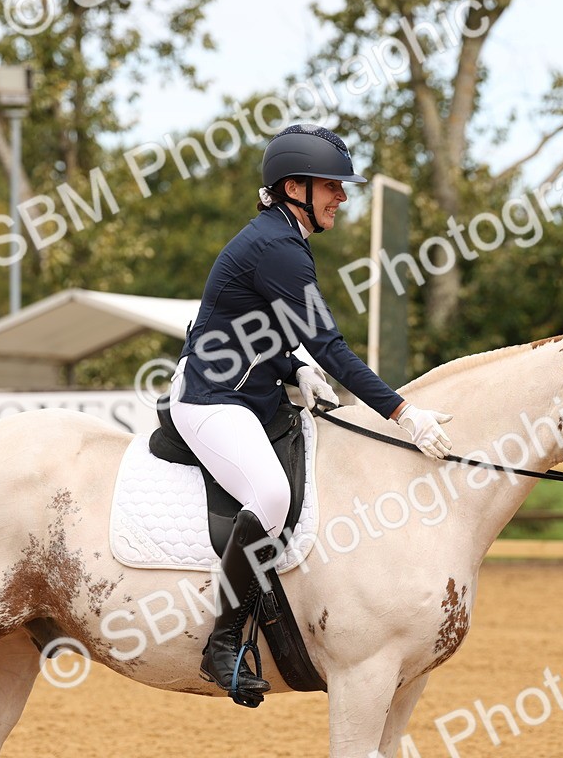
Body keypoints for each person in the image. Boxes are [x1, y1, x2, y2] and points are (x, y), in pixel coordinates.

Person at [168, 123, 454, 700]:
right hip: (212, 399)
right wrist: (402, 413)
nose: (342, 197)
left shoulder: (281, 238)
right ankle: (222, 644)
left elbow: (263, 330)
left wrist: (291, 368)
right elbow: (332, 348)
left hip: (253, 392)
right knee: (271, 496)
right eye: (332, 186)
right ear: (293, 186)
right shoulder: (278, 248)